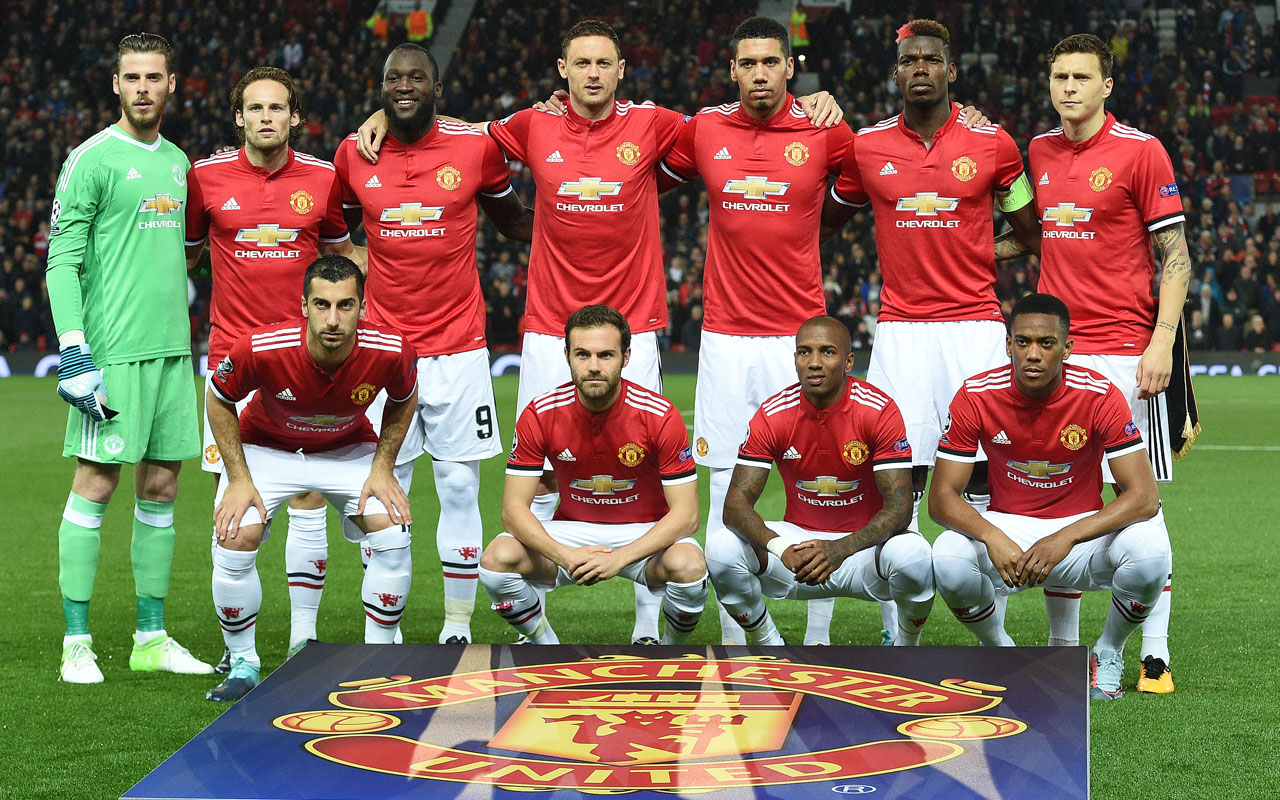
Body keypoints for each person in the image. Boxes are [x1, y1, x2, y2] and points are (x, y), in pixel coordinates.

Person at [353, 19, 843, 645]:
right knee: (542, 474)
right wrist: (384, 112)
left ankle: (646, 625)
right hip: (547, 329)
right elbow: (454, 134)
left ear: (619, 71)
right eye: (580, 63)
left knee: (646, 474)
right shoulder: (532, 126)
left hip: (632, 328)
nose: (591, 73)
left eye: (602, 63)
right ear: (563, 71)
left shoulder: (657, 125)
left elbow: (746, 125)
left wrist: (814, 105)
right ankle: (535, 622)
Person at [819, 18, 1040, 641]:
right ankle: (902, 624)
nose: (920, 68)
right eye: (909, 60)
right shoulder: (865, 148)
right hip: (902, 332)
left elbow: (1028, 236)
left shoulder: (994, 143)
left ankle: (994, 609)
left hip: (973, 327)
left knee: (990, 469)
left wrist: (970, 248)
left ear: (951, 71)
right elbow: (826, 219)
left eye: (931, 60)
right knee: (900, 473)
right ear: (896, 73)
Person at [657, 16, 859, 646]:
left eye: (771, 62)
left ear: (790, 67)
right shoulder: (705, 128)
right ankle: (743, 630)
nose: (759, 74)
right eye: (748, 63)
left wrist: (815, 229)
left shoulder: (826, 129)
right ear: (734, 70)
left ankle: (820, 631)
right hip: (724, 338)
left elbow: (857, 187)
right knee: (727, 482)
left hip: (800, 337)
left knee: (819, 479)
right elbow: (639, 163)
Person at [332, 44, 532, 644]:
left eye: (417, 76)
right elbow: (336, 235)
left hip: (461, 347)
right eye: (394, 78)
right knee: (380, 490)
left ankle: (455, 626)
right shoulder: (353, 153)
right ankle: (382, 630)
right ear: (382, 87)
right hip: (382, 352)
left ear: (437, 87)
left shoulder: (474, 148)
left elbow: (514, 219)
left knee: (460, 485)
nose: (404, 86)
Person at [47, 32, 212, 684]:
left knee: (163, 487)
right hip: (112, 357)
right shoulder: (90, 159)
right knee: (95, 485)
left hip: (174, 354)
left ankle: (150, 635)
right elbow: (63, 260)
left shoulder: (178, 161)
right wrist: (73, 350)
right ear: (115, 85)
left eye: (155, 77)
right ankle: (76, 642)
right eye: (132, 77)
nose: (144, 87)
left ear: (173, 85)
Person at [1029, 34, 1191, 693]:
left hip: (1127, 353)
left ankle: (1149, 652)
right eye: (1059, 75)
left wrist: (1161, 345)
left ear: (1107, 86)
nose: (1068, 86)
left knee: (1140, 502)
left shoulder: (1140, 151)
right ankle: (1065, 652)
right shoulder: (1036, 151)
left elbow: (1176, 257)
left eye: (1081, 77)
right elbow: (1018, 234)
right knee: (1059, 501)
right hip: (1057, 360)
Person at [185, 66, 354, 666]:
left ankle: (302, 642)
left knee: (307, 494)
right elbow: (184, 254)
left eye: (277, 108)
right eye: (254, 108)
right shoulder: (203, 178)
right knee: (233, 504)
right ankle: (238, 652)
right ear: (238, 117)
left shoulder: (323, 178)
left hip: (303, 367)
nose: (265, 118)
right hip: (231, 365)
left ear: (293, 117)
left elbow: (341, 257)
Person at [930, 293, 1171, 701]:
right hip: (1009, 531)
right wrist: (990, 534)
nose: (1033, 355)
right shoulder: (975, 394)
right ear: (1008, 345)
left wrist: (1067, 537)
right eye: (1022, 342)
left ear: (1068, 348)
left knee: (1151, 553)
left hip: (1080, 537)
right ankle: (1003, 653)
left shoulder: (1099, 394)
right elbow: (941, 499)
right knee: (947, 557)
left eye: (1046, 343)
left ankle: (1108, 652)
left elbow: (1144, 497)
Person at [205, 255, 416, 701]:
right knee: (234, 534)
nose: (333, 319)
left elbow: (405, 397)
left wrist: (382, 467)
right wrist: (239, 477)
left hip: (347, 450)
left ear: (363, 306)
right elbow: (218, 398)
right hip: (267, 449)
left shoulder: (392, 350)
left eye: (345, 306)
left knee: (393, 531)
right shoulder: (261, 347)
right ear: (303, 306)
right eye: (321, 305)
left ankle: (377, 663)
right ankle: (243, 661)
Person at [479, 304, 705, 645]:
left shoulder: (659, 415)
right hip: (573, 533)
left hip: (643, 534)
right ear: (567, 355)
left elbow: (687, 516)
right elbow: (513, 510)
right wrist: (566, 556)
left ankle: (669, 649)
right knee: (496, 560)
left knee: (689, 565)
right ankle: (545, 646)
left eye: (606, 355)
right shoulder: (540, 413)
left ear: (626, 357)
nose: (594, 367)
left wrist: (619, 559)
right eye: (583, 354)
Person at [707, 316, 932, 645]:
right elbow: (735, 507)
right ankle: (769, 644)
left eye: (827, 352)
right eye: (804, 352)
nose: (814, 363)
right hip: (798, 551)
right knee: (720, 548)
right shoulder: (773, 413)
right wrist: (781, 547)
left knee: (914, 555)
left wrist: (841, 548)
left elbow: (900, 509)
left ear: (848, 361)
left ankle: (906, 648)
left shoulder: (878, 410)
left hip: (863, 552)